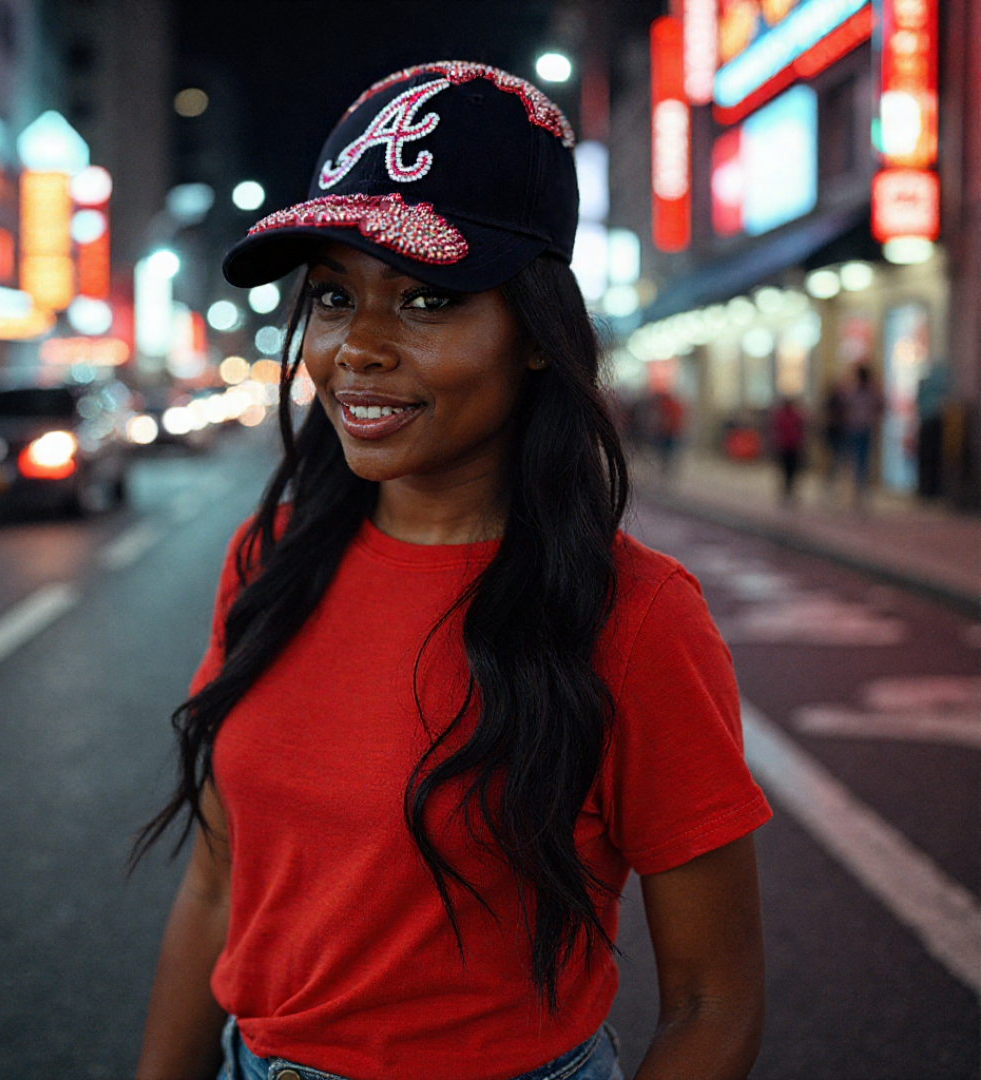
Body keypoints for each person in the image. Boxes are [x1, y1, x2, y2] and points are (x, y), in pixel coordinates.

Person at [133, 62, 771, 1080]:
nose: (357, 349)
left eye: (427, 298)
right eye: (335, 295)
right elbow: (217, 885)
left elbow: (711, 999)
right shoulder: (269, 560)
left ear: (534, 333)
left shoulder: (635, 616)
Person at [843, 364, 883, 507]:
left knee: (862, 460)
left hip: (863, 429)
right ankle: (859, 490)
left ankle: (861, 490)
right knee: (859, 460)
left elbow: (880, 405)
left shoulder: (868, 391)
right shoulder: (858, 391)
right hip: (858, 429)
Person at [768, 396, 806, 503]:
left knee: (790, 471)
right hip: (786, 446)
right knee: (787, 471)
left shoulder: (793, 416)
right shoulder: (785, 416)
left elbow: (799, 430)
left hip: (790, 446)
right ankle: (787, 492)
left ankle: (788, 491)